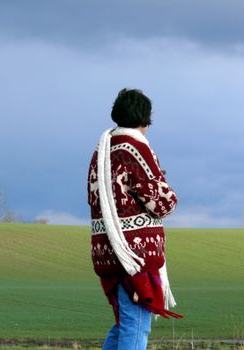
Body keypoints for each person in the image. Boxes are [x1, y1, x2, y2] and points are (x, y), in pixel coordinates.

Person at [87, 88, 182, 350]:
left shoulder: (102, 151)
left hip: (107, 249)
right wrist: (171, 194)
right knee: (137, 324)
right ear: (145, 119)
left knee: (126, 323)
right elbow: (161, 202)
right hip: (134, 254)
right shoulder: (135, 148)